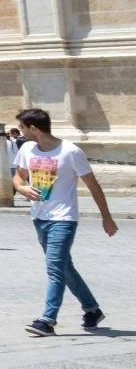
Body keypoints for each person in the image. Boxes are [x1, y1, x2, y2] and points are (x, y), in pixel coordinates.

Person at [13, 107, 116, 336]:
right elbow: (19, 176)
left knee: (54, 269)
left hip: (64, 218)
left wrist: (107, 218)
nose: (19, 132)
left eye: (21, 127)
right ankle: (92, 309)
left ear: (33, 128)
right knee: (64, 267)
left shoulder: (70, 152)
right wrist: (22, 188)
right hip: (39, 217)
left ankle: (47, 320)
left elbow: (93, 186)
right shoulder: (28, 148)